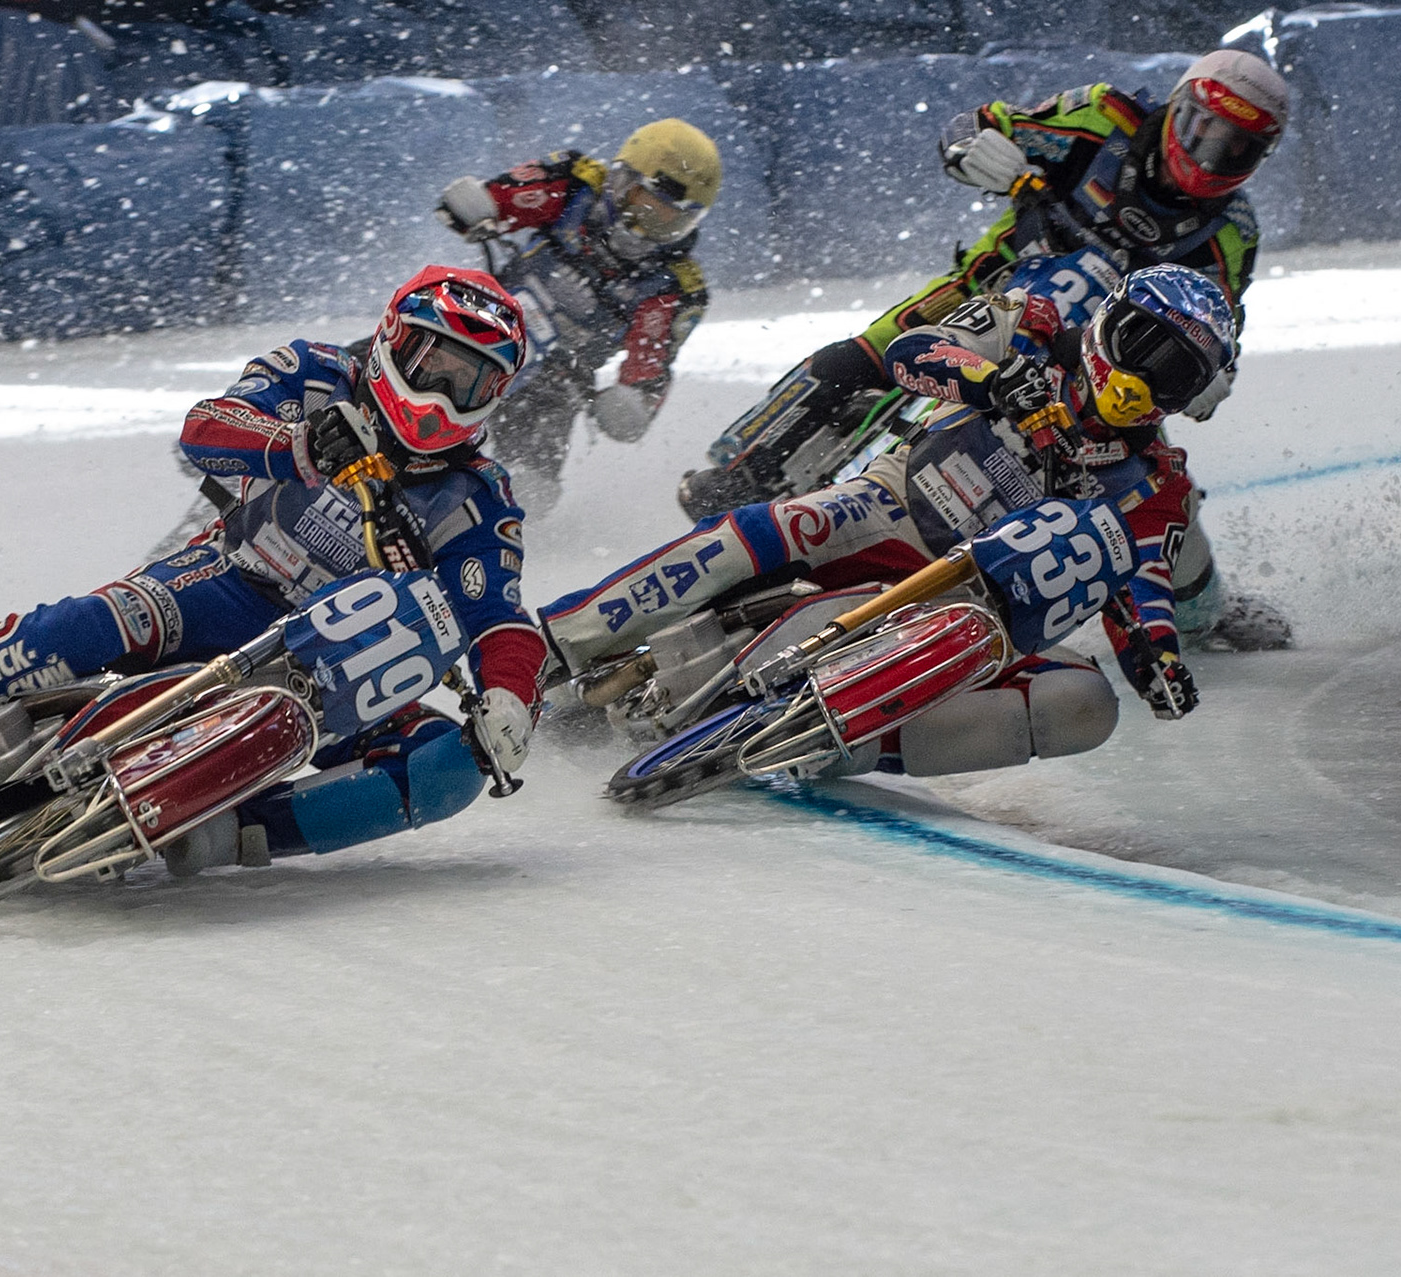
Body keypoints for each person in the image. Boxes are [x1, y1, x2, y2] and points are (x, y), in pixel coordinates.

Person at [0, 265, 549, 873]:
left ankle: (228, 833)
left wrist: (511, 701)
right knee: (86, 626)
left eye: (471, 381)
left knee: (449, 769)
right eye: (433, 363)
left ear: (496, 395)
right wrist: (297, 447)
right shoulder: (316, 372)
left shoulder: (482, 498)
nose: (444, 393)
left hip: (339, 673)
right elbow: (204, 427)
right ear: (392, 340)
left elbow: (501, 615)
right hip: (227, 582)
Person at [677, 50, 1291, 651]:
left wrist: (1213, 377)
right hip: (988, 298)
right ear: (1176, 105)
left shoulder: (1232, 233)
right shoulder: (1104, 117)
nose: (1210, 153)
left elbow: (1218, 330)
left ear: (1257, 159)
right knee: (852, 361)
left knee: (1151, 500)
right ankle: (744, 475)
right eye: (1201, 129)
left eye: (1234, 146)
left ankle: (1201, 607)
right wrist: (977, 150)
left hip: (1094, 375)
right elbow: (979, 126)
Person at [540, 264, 1231, 779]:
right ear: (1113, 320)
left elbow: (1139, 580)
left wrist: (1156, 655)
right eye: (1144, 345)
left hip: (981, 606)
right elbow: (911, 354)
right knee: (767, 528)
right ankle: (560, 641)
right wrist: (992, 382)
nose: (1143, 380)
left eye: (1173, 374)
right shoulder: (1030, 325)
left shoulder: (1157, 484)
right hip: (891, 505)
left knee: (1084, 702)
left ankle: (839, 743)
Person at [435, 118, 721, 508]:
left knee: (528, 495)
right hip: (482, 320)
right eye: (646, 206)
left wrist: (631, 404)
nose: (651, 226)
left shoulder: (676, 286)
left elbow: (649, 372)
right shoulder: (575, 182)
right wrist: (477, 204)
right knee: (377, 363)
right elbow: (500, 200)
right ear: (622, 180)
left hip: (556, 383)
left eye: (671, 219)